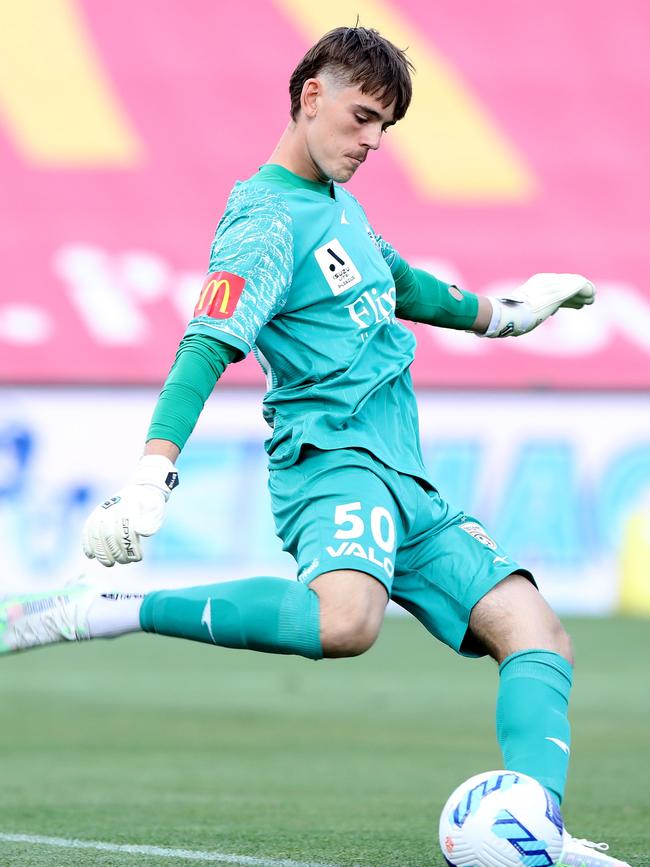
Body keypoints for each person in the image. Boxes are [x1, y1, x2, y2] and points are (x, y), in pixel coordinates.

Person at [0, 26, 627, 867]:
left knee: (539, 634)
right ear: (310, 97)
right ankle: (101, 608)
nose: (371, 141)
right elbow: (206, 344)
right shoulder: (263, 221)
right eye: (362, 117)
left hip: (407, 477)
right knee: (347, 620)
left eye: (384, 128)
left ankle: (533, 835)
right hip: (331, 461)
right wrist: (153, 473)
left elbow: (405, 287)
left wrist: (514, 312)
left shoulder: (339, 207)